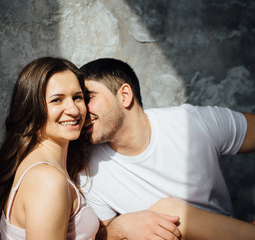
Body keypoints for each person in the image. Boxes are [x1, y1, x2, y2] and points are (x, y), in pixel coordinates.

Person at [79, 58, 255, 239]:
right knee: (165, 212)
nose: (80, 111)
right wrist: (120, 227)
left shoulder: (191, 123)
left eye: (88, 98)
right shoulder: (88, 172)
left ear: (124, 95)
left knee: (169, 210)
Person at [0, 57, 99, 240]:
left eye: (77, 97)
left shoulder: (43, 167)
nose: (73, 110)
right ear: (32, 108)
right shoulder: (47, 180)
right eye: (57, 100)